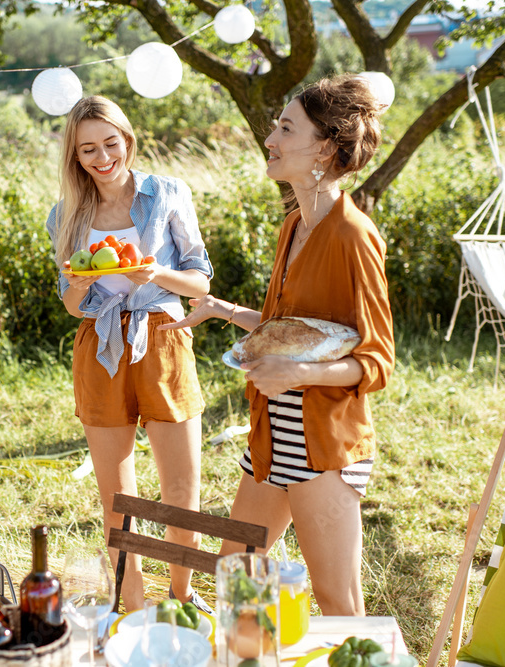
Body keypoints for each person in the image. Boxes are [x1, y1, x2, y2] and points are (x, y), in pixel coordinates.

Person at [161, 75, 395, 615]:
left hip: (325, 450)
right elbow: (287, 331)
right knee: (240, 581)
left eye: (286, 128)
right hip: (272, 437)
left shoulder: (353, 235)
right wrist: (224, 311)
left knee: (337, 600)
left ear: (325, 148)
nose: (270, 139)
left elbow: (377, 361)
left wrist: (298, 377)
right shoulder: (294, 225)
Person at [46, 96, 214, 612]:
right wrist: (75, 285)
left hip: (162, 334)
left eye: (109, 144)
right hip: (98, 343)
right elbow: (74, 305)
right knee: (117, 497)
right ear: (75, 157)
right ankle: (132, 604)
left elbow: (200, 278)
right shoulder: (66, 215)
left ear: (127, 140)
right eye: (88, 149)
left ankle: (182, 597)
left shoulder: (166, 193)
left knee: (180, 488)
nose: (101, 158)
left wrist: (154, 274)